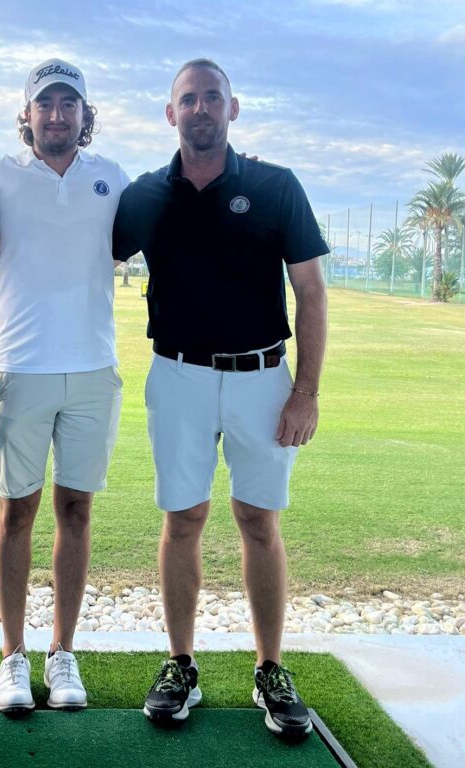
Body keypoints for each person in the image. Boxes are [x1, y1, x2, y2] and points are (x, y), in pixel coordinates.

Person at [112, 58, 328, 738]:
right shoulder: (145, 194)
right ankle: (181, 664)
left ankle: (270, 669)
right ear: (169, 113)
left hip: (263, 377)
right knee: (183, 519)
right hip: (176, 376)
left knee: (259, 522)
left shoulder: (275, 185)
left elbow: (312, 292)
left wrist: (306, 392)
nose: (200, 108)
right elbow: (83, 253)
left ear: (233, 109)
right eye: (188, 99)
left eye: (212, 98)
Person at [0, 59, 128, 714]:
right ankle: (12, 660)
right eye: (47, 104)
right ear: (29, 113)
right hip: (21, 368)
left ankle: (62, 655)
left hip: (94, 369)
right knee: (17, 512)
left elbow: (122, 251)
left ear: (84, 115)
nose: (58, 114)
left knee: (77, 511)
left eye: (70, 104)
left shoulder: (112, 178)